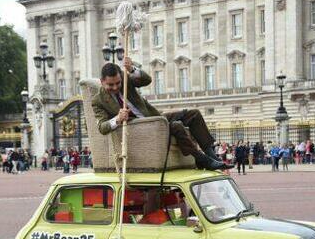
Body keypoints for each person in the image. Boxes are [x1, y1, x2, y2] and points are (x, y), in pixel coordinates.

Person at [92, 59, 233, 171]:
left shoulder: (125, 79)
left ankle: (211, 154)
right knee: (176, 126)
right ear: (102, 81)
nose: (116, 88)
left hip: (154, 118)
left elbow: (146, 80)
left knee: (193, 114)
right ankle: (202, 160)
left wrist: (132, 69)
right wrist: (117, 119)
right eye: (110, 85)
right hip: (141, 128)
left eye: (118, 83)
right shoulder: (98, 101)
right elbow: (102, 127)